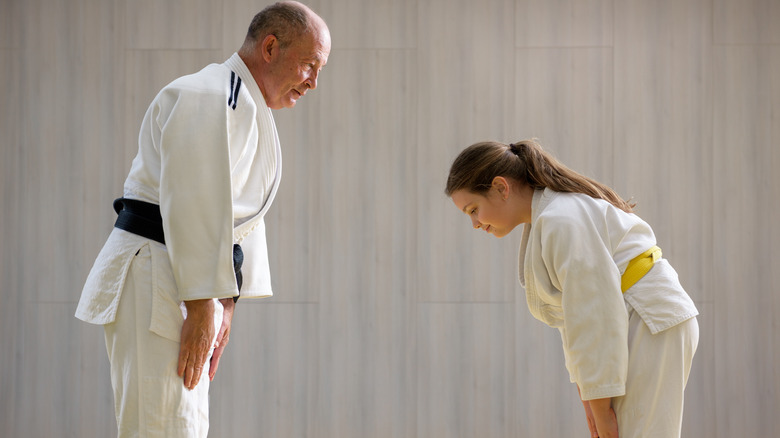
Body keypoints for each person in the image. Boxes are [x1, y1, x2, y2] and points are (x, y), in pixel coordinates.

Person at [75, 2, 330, 436]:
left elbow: (236, 216)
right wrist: (200, 303)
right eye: (309, 65)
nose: (313, 83)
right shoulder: (210, 94)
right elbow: (191, 198)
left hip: (184, 280)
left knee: (183, 424)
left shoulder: (242, 101)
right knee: (161, 426)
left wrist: (223, 302)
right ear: (270, 47)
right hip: (160, 272)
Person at [445, 140, 699, 438]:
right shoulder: (552, 216)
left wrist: (601, 412)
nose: (475, 223)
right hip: (647, 319)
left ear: (501, 187)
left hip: (648, 320)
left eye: (474, 209)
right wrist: (591, 398)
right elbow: (579, 319)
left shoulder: (560, 219)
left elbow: (593, 314)